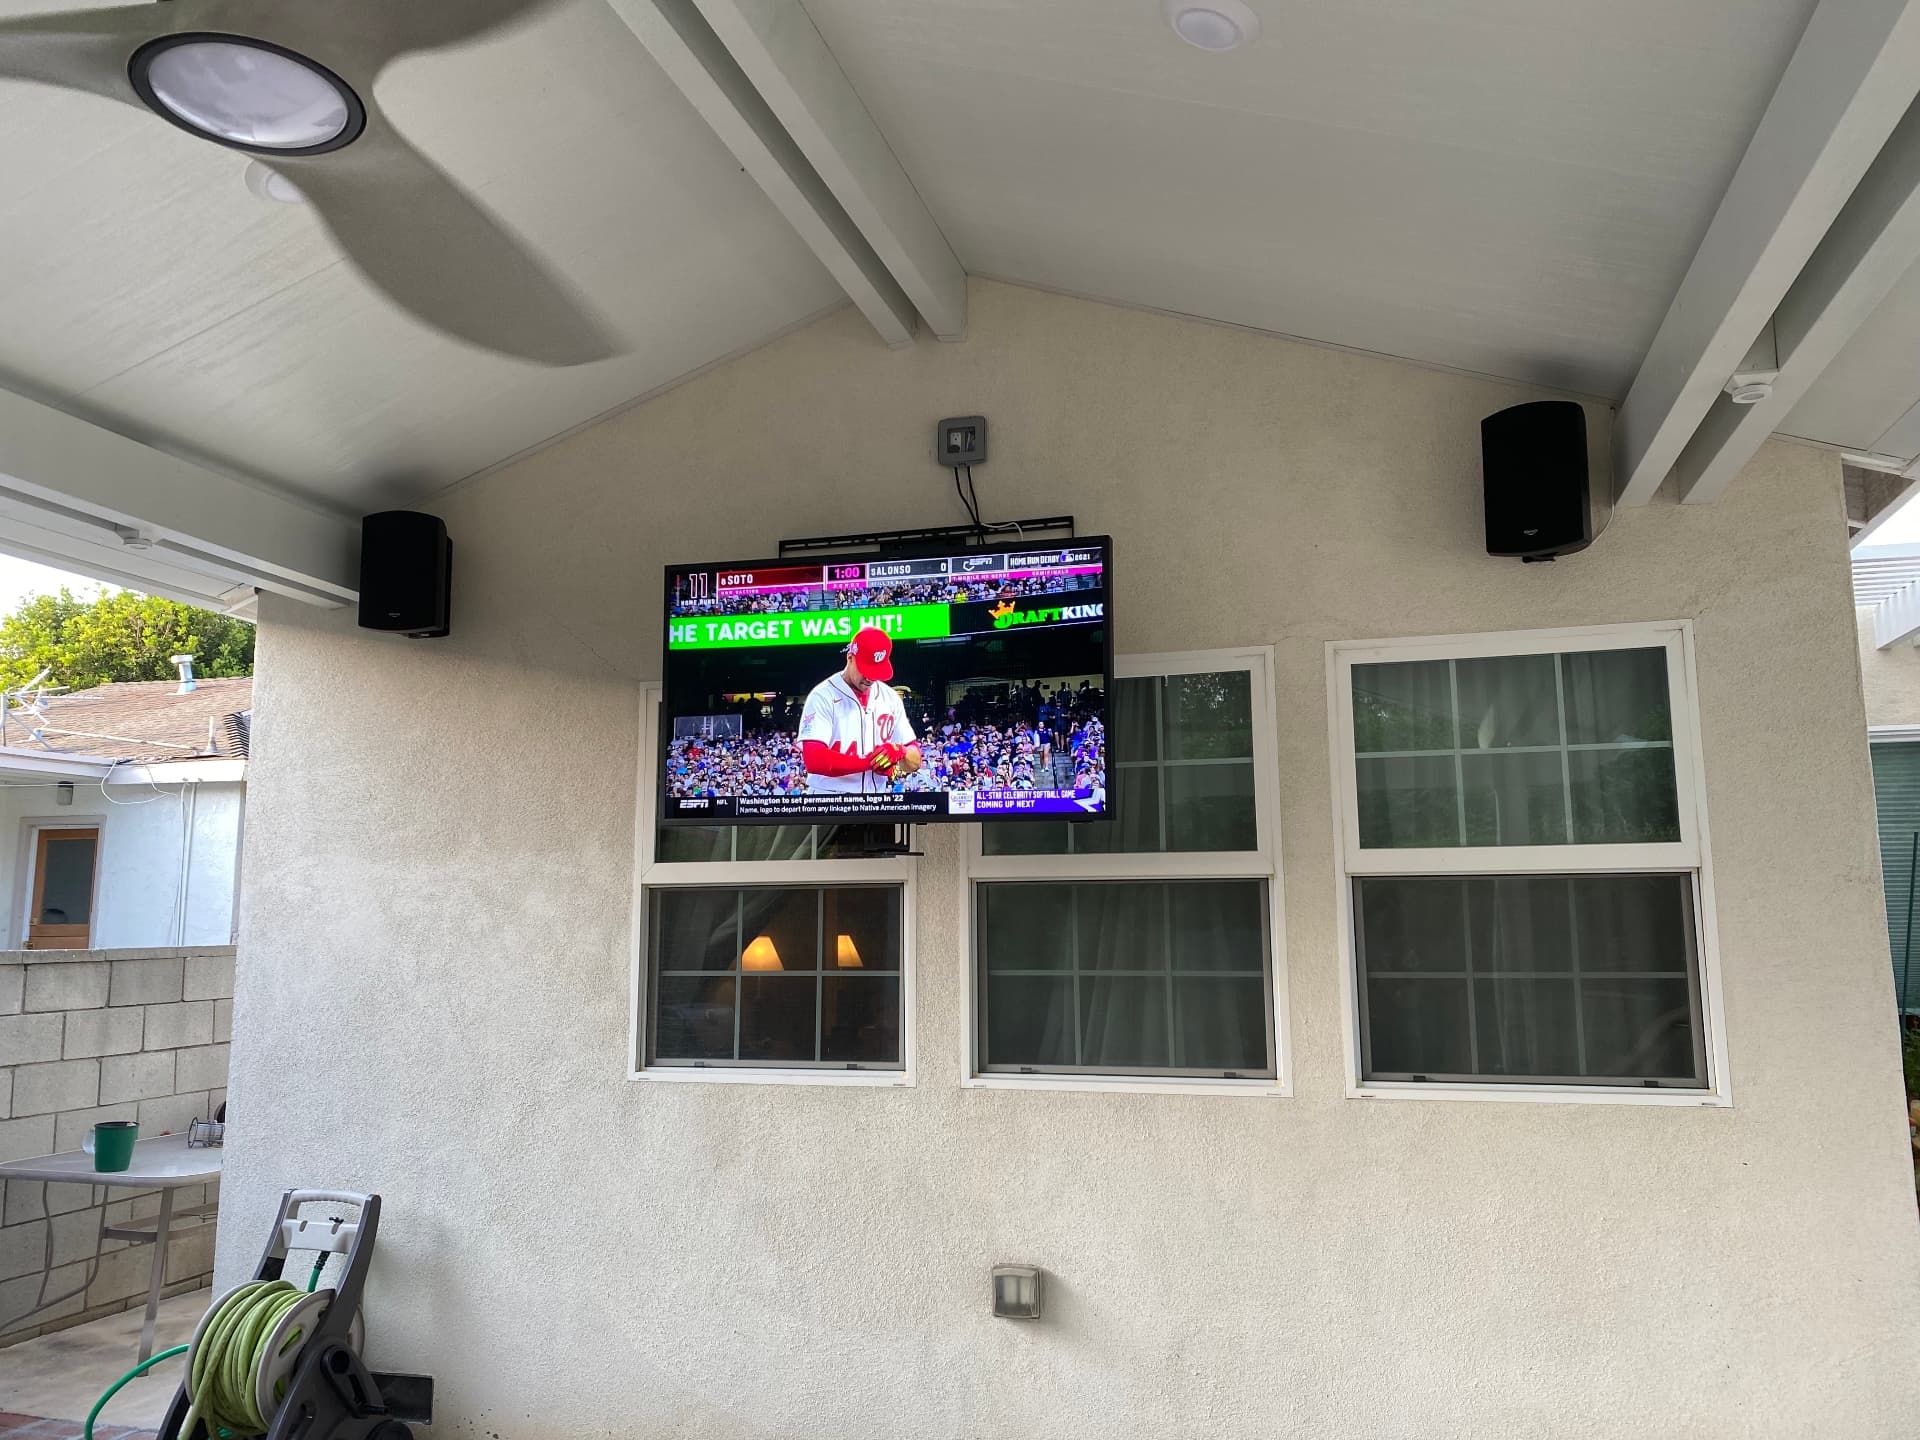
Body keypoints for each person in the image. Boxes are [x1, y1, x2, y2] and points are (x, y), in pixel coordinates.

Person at [796, 625, 923, 794]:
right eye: (866, 670)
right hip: (829, 803)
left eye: (876, 671)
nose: (870, 678)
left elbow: (915, 761)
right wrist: (872, 763)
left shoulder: (890, 698)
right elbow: (814, 759)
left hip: (875, 803)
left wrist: (901, 751)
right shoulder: (822, 696)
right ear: (850, 657)